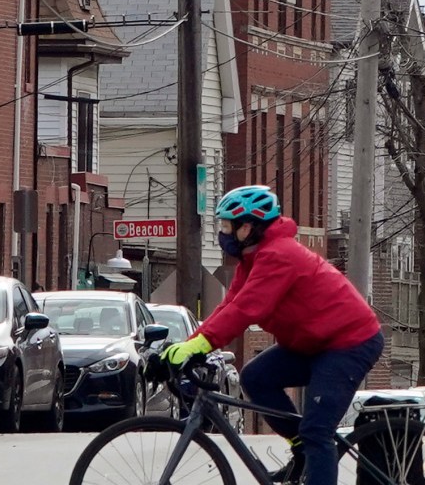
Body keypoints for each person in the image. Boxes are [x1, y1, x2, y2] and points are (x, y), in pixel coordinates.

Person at [163, 185, 382, 485]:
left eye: (227, 225)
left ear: (248, 227)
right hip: (312, 343)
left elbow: (247, 309)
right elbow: (231, 304)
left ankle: (310, 449)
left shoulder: (280, 255)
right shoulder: (253, 259)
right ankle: (301, 450)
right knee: (255, 377)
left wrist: (201, 344)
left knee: (317, 431)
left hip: (348, 343)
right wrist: (190, 345)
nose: (223, 233)